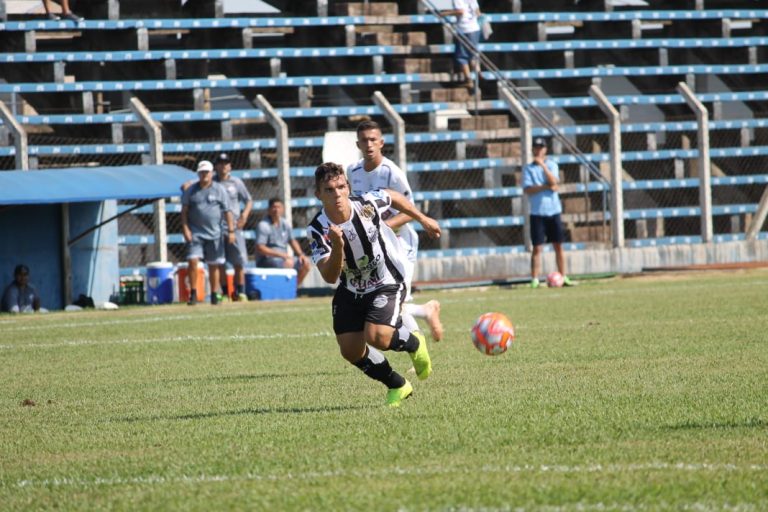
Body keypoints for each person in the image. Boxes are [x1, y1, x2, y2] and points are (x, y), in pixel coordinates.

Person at [307, 162, 441, 407]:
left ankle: (413, 342)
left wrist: (422, 218)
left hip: (386, 279)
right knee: (350, 350)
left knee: (377, 337)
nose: (337, 194)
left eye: (340, 187)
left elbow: (394, 197)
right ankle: (398, 385)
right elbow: (328, 275)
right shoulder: (317, 229)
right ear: (319, 194)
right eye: (329, 190)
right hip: (351, 287)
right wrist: (337, 247)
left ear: (347, 187)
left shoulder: (367, 203)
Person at [347, 120, 444, 342]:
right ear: (358, 144)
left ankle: (418, 347)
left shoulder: (391, 172)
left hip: (401, 243)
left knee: (396, 301)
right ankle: (426, 312)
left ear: (381, 143)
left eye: (373, 140)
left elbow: (410, 210)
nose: (369, 144)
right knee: (383, 301)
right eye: (364, 140)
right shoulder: (352, 171)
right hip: (375, 247)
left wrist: (383, 227)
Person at [522, 137, 575, 288]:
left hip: (554, 211)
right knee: (537, 247)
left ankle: (563, 277)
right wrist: (546, 187)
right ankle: (534, 279)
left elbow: (554, 182)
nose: (538, 150)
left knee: (558, 245)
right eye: (536, 147)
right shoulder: (528, 168)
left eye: (541, 147)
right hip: (537, 212)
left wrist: (543, 167)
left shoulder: (551, 164)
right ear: (533, 149)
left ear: (545, 149)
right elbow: (528, 189)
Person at [181, 160, 235, 305]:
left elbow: (227, 211)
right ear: (198, 173)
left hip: (215, 233)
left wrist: (231, 231)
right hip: (196, 232)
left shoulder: (219, 190)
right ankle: (193, 294)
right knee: (192, 261)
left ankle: (213, 293)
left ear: (212, 173)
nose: (204, 174)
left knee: (214, 265)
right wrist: (185, 229)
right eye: (202, 172)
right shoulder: (191, 190)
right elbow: (184, 212)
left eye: (207, 172)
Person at [212, 153, 253, 301]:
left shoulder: (236, 182)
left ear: (230, 166)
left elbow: (248, 200)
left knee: (239, 261)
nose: (223, 166)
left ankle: (240, 292)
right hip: (216, 227)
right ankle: (224, 292)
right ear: (216, 166)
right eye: (220, 163)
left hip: (234, 227)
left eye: (226, 163)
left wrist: (244, 216)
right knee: (220, 261)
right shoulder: (212, 182)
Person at [255, 198, 311, 287]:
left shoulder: (285, 223)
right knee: (287, 263)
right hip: (266, 260)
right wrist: (282, 255)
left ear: (283, 209)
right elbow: (260, 248)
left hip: (284, 258)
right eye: (274, 207)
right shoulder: (263, 225)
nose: (276, 209)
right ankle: (284, 290)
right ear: (269, 210)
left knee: (306, 264)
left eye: (279, 207)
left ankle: (293, 289)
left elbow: (292, 240)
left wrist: (301, 254)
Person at [442, 0, 482, 89]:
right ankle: (479, 74)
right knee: (472, 54)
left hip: (465, 29)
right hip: (475, 28)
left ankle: (468, 80)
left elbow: (460, 11)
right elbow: (478, 12)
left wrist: (445, 13)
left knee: (461, 56)